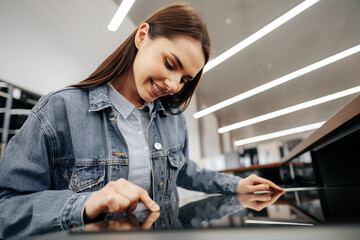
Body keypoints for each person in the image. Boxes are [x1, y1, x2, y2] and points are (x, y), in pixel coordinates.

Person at [0, 2, 283, 237]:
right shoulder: (59, 110)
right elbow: (6, 207)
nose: (173, 84)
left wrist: (236, 185)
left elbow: (185, 170)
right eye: (170, 64)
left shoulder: (172, 119)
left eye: (184, 79)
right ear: (142, 36)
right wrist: (85, 203)